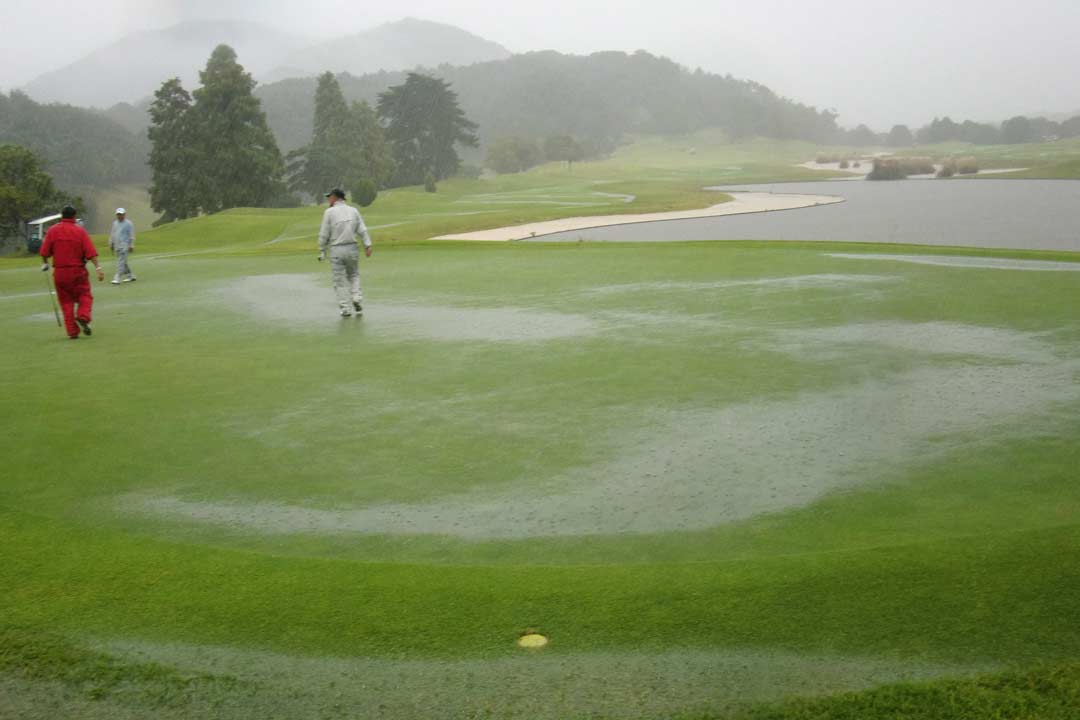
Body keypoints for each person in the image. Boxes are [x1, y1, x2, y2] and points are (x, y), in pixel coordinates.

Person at [40, 205, 105, 339]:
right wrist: (98, 268)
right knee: (85, 296)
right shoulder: (79, 231)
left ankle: (72, 332)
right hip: (78, 271)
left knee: (66, 302)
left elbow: (45, 252)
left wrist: (45, 263)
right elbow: (90, 252)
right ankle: (83, 316)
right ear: (74, 216)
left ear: (62, 216)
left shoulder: (52, 231)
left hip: (60, 273)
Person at [318, 188, 373, 317]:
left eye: (329, 197)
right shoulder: (353, 211)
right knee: (353, 275)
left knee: (339, 281)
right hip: (352, 249)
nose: (328, 200)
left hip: (336, 250)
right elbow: (362, 229)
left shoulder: (329, 212)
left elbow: (324, 234)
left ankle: (345, 308)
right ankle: (356, 298)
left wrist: (321, 250)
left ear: (336, 198)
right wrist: (367, 245)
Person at [109, 207, 137, 284]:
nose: (119, 216)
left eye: (121, 214)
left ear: (124, 214)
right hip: (117, 246)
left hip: (125, 246)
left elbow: (131, 235)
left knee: (120, 262)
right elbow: (113, 234)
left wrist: (131, 245)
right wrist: (111, 243)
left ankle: (117, 278)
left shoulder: (128, 223)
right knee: (123, 262)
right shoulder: (115, 223)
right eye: (118, 214)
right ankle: (130, 276)